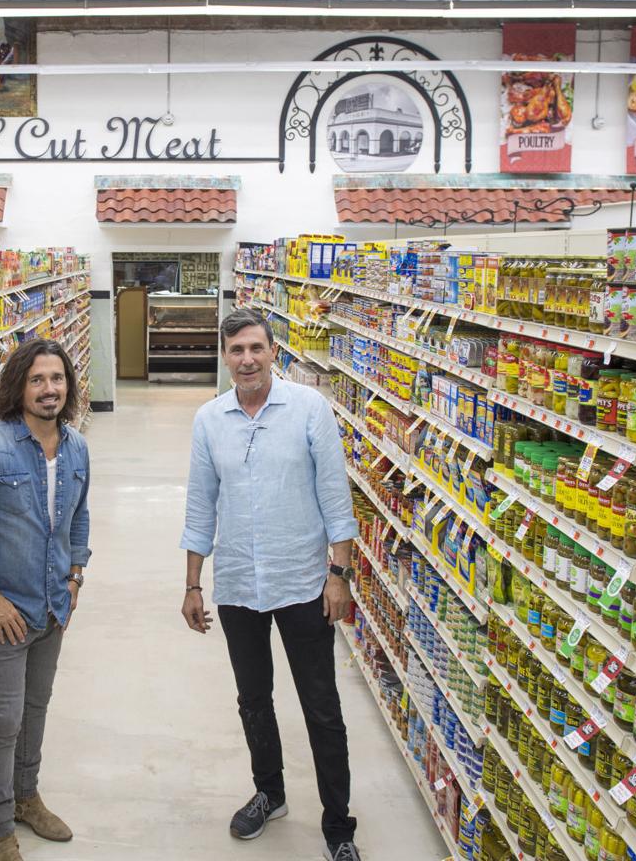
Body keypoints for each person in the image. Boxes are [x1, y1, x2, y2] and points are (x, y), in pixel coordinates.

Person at [179, 307, 361, 861]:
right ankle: (270, 792)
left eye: (256, 348)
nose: (247, 359)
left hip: (303, 582)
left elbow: (336, 497)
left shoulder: (309, 409)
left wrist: (339, 574)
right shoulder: (209, 420)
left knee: (321, 707)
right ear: (225, 355)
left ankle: (339, 826)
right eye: (236, 350)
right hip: (237, 584)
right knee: (254, 699)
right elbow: (199, 504)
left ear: (273, 351)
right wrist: (192, 584)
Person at [0, 337, 92, 861]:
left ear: (68, 386)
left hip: (54, 603)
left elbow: (78, 518)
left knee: (36, 708)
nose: (49, 389)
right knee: (5, 719)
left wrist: (76, 577)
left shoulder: (76, 448)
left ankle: (28, 798)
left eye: (57, 379)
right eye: (37, 380)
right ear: (18, 387)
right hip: (6, 610)